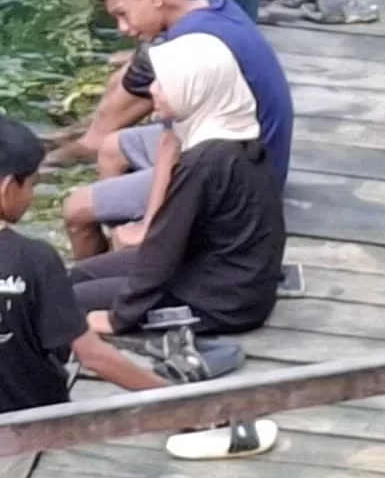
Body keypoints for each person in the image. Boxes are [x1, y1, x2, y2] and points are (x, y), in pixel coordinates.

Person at [0, 119, 174, 410]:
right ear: (7, 187)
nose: (31, 198)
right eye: (31, 185)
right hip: (32, 410)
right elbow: (92, 356)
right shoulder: (35, 258)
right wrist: (172, 396)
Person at [63, 0, 293, 260]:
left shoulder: (191, 45)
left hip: (239, 176)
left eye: (122, 14)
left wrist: (151, 225)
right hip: (247, 146)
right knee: (110, 148)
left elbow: (172, 145)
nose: (123, 28)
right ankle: (116, 263)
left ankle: (125, 264)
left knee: (76, 210)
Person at [73, 34, 290, 343]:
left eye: (164, 83)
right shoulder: (234, 131)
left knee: (72, 303)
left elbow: (164, 247)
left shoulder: (205, 162)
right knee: (77, 276)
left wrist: (119, 316)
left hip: (220, 302)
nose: (153, 91)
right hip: (217, 271)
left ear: (195, 87)